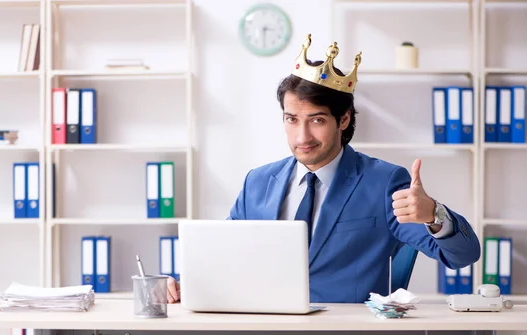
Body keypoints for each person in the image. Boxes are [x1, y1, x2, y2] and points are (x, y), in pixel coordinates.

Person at [167, 34, 480, 304]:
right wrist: (182, 283)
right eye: (292, 119)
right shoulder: (258, 183)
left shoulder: (383, 183)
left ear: (343, 120)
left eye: (316, 120)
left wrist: (434, 215)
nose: (302, 137)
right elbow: (224, 255)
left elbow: (462, 256)